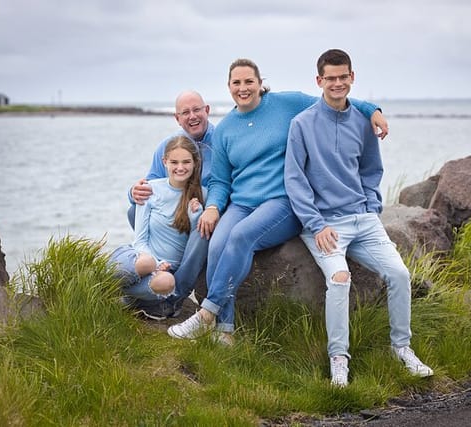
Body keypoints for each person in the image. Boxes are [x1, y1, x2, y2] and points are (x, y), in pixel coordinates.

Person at [167, 58, 389, 346]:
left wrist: (373, 111)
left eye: (249, 81)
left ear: (260, 83)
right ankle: (225, 330)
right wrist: (212, 207)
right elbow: (221, 181)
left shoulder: (287, 104)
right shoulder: (225, 129)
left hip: (282, 202)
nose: (243, 87)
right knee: (218, 242)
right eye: (237, 82)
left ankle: (206, 314)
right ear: (229, 87)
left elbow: (334, 97)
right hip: (242, 203)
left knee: (242, 235)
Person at [283, 49, 433, 386]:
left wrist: (370, 205)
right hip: (323, 223)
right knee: (339, 277)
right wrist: (316, 224)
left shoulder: (363, 122)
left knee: (399, 274)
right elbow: (294, 179)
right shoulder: (302, 124)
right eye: (330, 78)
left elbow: (370, 169)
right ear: (319, 81)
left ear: (352, 77)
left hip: (362, 219)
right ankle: (339, 358)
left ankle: (401, 348)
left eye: (343, 77)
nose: (337, 83)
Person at [125, 91, 214, 319]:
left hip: (206, 213)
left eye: (196, 110)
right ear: (177, 118)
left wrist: (212, 209)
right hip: (174, 219)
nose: (192, 116)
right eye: (185, 112)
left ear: (207, 110)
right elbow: (151, 188)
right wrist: (132, 192)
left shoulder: (221, 141)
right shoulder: (168, 146)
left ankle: (176, 292)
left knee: (203, 225)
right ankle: (154, 269)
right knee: (133, 210)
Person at [111, 135, 207, 313]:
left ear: (195, 163)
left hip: (164, 272)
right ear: (165, 162)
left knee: (167, 282)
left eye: (186, 162)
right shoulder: (150, 189)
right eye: (174, 162)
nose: (180, 167)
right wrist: (155, 263)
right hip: (138, 259)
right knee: (146, 262)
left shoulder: (203, 195)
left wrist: (195, 219)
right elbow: (139, 241)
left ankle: (123, 297)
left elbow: (197, 246)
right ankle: (97, 287)